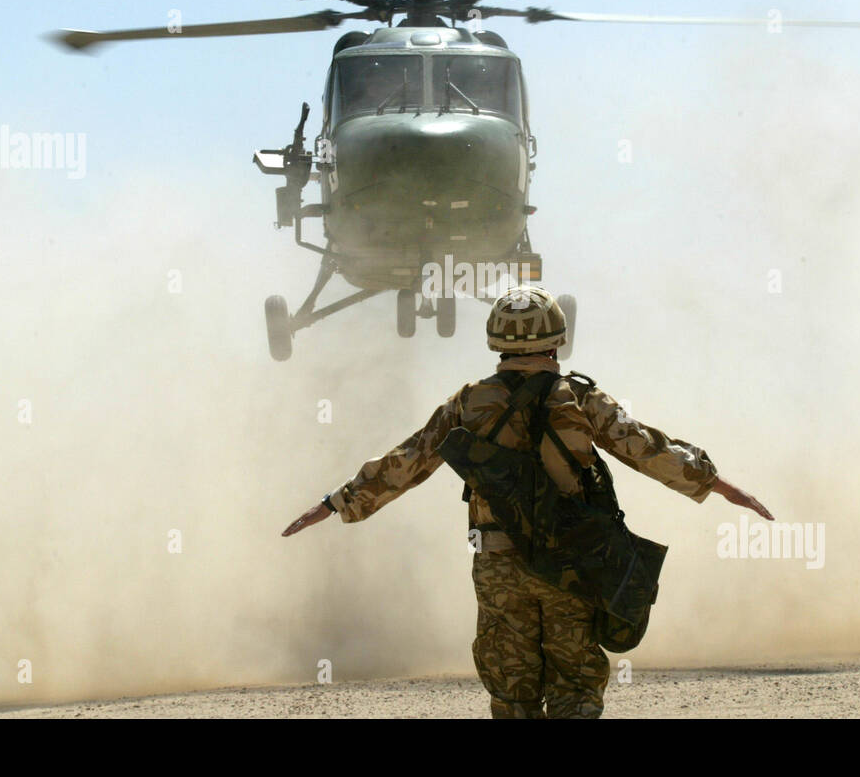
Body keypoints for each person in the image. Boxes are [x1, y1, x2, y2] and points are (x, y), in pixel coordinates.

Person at [282, 285, 773, 718]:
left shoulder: (468, 402)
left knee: (512, 692)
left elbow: (409, 459)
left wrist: (336, 502)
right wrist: (718, 485)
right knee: (575, 689)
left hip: (498, 564)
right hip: (570, 564)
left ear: (495, 340)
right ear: (558, 338)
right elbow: (644, 448)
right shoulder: (580, 399)